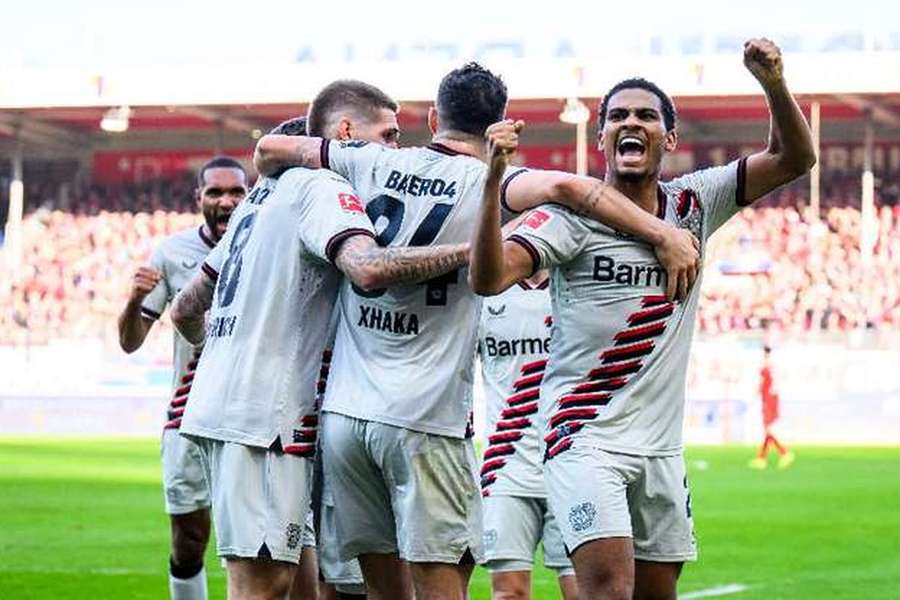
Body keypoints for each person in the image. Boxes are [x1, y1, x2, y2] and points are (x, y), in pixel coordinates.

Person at [253, 62, 700, 600]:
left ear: (435, 116)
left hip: (347, 417)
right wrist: (660, 231)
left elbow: (273, 152)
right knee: (442, 584)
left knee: (376, 590)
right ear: (499, 125)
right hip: (426, 416)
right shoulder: (495, 181)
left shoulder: (367, 159)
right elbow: (568, 187)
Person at [468, 39, 815, 600]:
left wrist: (773, 82)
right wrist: (493, 184)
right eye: (619, 117)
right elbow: (487, 278)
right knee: (607, 590)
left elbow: (796, 159)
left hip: (660, 450)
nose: (632, 123)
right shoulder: (569, 219)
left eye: (646, 116)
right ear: (603, 137)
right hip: (585, 439)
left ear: (669, 138)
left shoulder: (696, 205)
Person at [171, 82, 469, 600]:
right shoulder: (322, 187)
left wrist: (226, 356)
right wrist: (476, 250)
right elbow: (368, 268)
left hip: (231, 409)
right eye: (389, 136)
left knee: (301, 585)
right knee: (262, 586)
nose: (395, 151)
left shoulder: (259, 199)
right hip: (266, 418)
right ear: (347, 133)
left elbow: (186, 309)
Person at [116, 156, 248, 600]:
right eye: (216, 192)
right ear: (199, 199)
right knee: (189, 540)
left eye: (236, 192)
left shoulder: (266, 245)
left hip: (252, 417)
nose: (227, 201)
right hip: (188, 414)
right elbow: (131, 342)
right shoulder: (173, 253)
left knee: (253, 544)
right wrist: (134, 300)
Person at [477, 263, 578, 599]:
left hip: (573, 465)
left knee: (584, 589)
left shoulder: (578, 286)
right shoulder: (485, 290)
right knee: (509, 592)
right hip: (506, 468)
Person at [749, 346, 794, 469]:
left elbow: (762, 384)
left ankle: (784, 452)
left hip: (768, 400)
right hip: (773, 399)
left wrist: (755, 395)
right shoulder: (774, 367)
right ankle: (762, 458)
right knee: (767, 430)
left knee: (768, 429)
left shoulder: (766, 368)